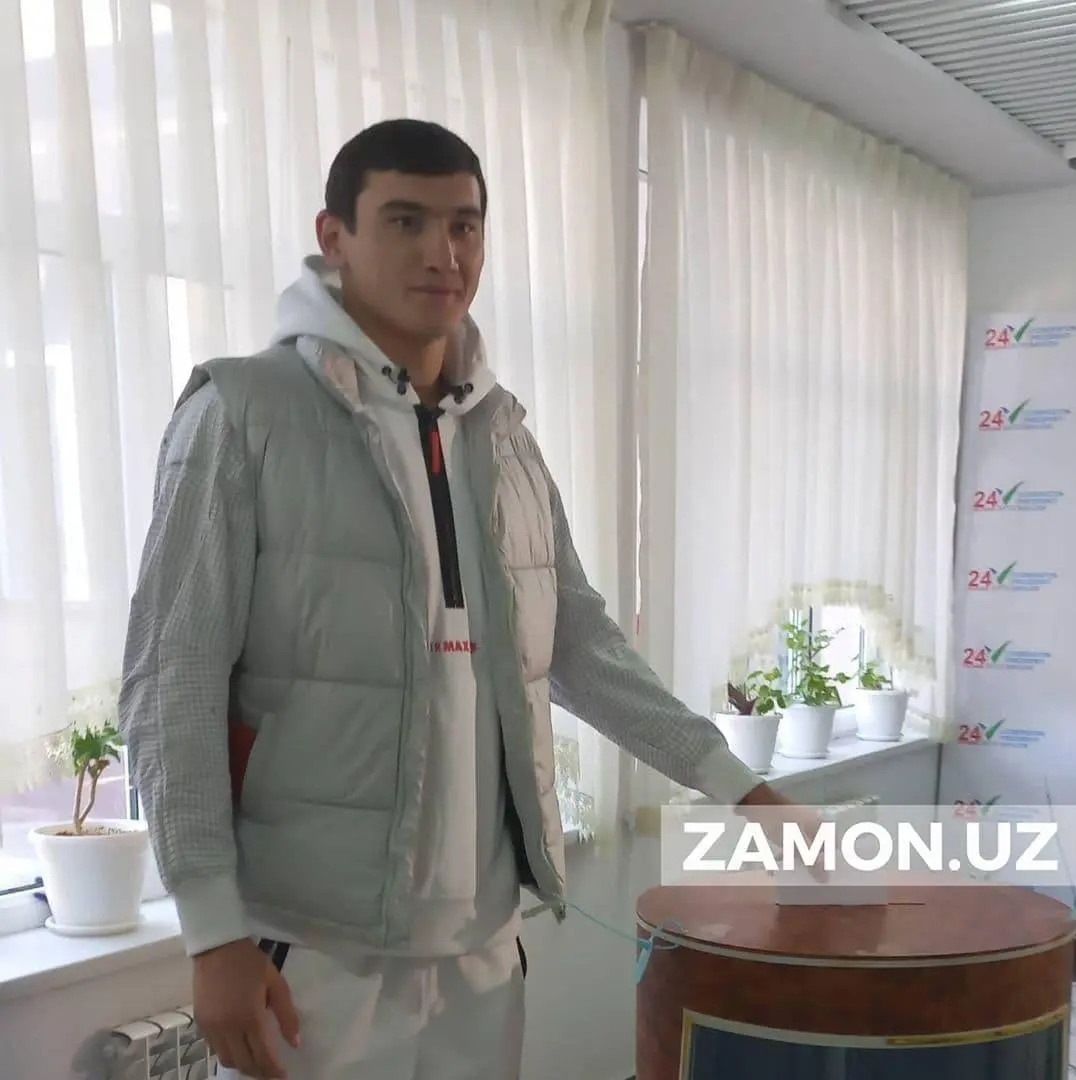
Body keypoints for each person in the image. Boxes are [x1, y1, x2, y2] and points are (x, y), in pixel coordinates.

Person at [119, 118, 815, 1080]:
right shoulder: (243, 413)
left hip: (484, 944)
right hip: (313, 948)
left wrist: (743, 789)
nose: (442, 253)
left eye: (464, 226)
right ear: (334, 236)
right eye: (405, 221)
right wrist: (212, 933)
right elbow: (172, 682)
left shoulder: (503, 434)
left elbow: (581, 645)